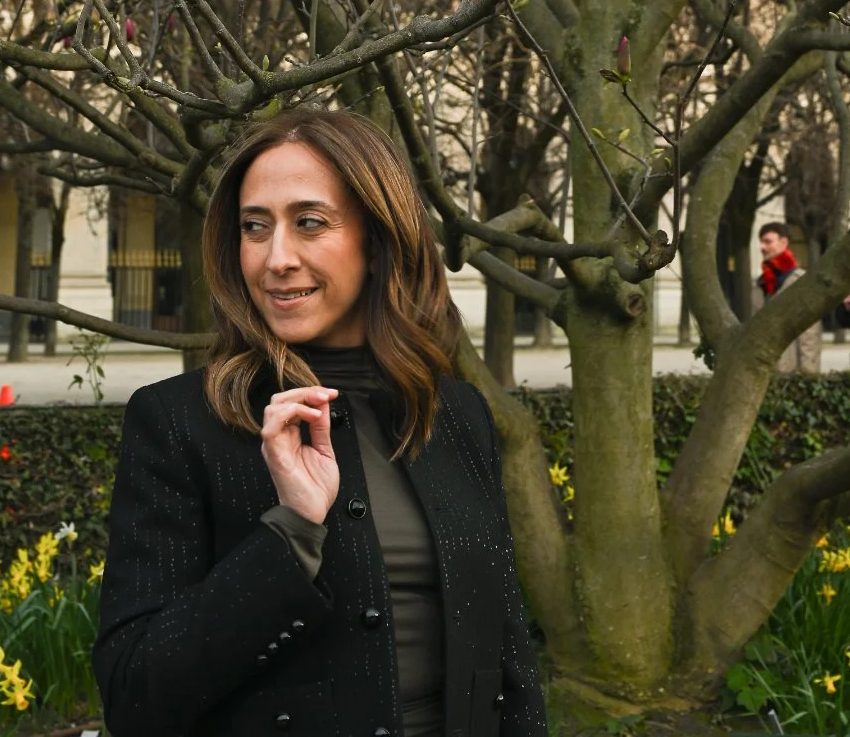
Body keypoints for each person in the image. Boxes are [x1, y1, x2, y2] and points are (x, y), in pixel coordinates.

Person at [91, 108, 545, 737]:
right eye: (255, 228)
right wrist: (291, 533)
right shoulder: (180, 423)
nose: (276, 258)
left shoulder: (458, 415)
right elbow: (133, 693)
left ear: (379, 236)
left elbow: (507, 659)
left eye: (309, 223)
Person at [749, 222, 821, 373]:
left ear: (783, 243)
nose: (762, 247)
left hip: (790, 370)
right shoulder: (761, 284)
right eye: (761, 242)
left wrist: (807, 375)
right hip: (764, 371)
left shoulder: (800, 282)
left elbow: (809, 334)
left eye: (768, 242)